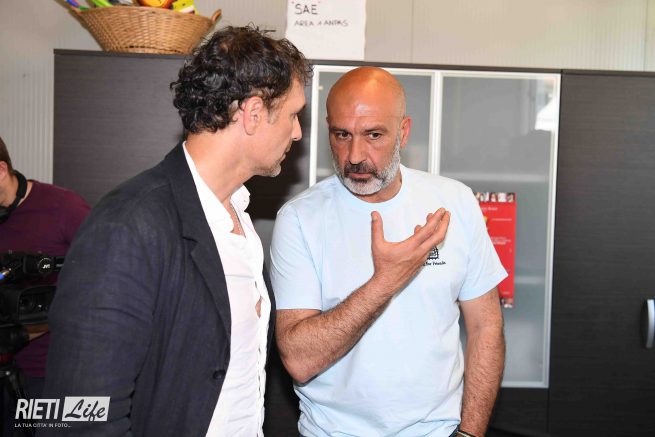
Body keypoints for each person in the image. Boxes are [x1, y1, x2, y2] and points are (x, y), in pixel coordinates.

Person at [43, 26, 311, 436]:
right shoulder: (128, 225)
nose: (297, 132)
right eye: (293, 115)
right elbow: (76, 416)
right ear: (254, 113)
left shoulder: (240, 217)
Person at [270, 67, 507, 437]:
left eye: (374, 135)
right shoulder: (300, 219)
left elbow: (486, 325)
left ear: (404, 132)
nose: (355, 156)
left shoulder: (454, 202)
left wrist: (470, 433)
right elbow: (299, 360)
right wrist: (386, 281)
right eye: (342, 135)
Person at [0, 136, 90, 435]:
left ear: (1, 170)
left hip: (53, 374)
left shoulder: (63, 207)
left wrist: (32, 330)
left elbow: (102, 282)